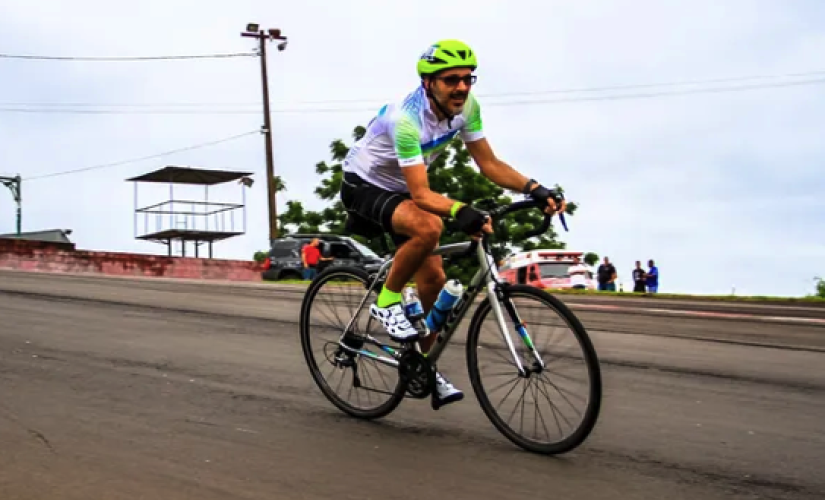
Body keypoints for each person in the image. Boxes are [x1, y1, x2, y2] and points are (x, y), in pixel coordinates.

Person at [339, 39, 565, 409]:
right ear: (429, 83)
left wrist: (535, 188)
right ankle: (387, 300)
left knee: (434, 282)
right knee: (429, 228)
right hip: (364, 184)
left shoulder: (467, 108)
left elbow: (489, 164)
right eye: (451, 80)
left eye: (467, 79)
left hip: (403, 187)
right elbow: (423, 196)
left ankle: (421, 365)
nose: (461, 87)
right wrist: (461, 211)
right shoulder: (406, 120)